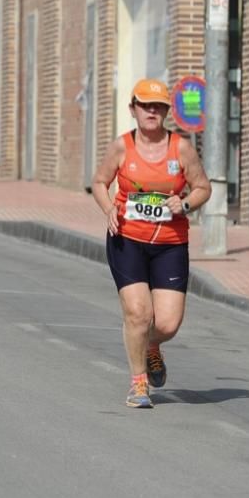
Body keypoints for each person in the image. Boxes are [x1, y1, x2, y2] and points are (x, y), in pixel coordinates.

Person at [92, 78, 211, 408]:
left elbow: (203, 187)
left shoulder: (181, 148)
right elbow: (100, 182)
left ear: (166, 112)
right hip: (127, 238)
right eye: (145, 105)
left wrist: (184, 204)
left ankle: (152, 346)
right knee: (138, 314)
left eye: (158, 106)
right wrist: (108, 210)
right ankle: (139, 383)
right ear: (133, 109)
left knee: (168, 324)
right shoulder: (121, 147)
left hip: (170, 242)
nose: (152, 112)